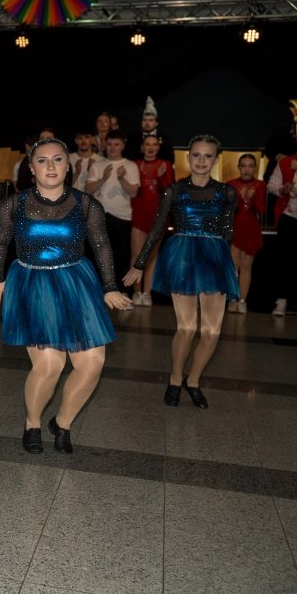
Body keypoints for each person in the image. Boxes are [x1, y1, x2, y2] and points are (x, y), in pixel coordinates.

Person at [0, 138, 129, 454]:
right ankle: (32, 423)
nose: (50, 166)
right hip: (32, 283)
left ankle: (62, 423)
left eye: (58, 159)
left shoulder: (87, 204)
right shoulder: (13, 204)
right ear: (31, 167)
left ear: (68, 165)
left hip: (77, 282)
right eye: (42, 160)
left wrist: (110, 286)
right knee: (49, 365)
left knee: (93, 363)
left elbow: (102, 246)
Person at [123, 135, 238, 410]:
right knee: (187, 328)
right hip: (183, 257)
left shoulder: (227, 193)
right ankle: (175, 380)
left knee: (211, 332)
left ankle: (193, 382)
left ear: (215, 160)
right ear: (188, 158)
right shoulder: (173, 191)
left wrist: (224, 262)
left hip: (214, 259)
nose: (201, 160)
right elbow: (156, 229)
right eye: (196, 155)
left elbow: (227, 232)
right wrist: (139, 264)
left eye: (207, 156)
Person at [86, 130, 139, 299]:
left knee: (121, 256)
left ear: (123, 145)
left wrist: (122, 179)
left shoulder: (130, 166)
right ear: (104, 145)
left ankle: (122, 292)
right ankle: (97, 291)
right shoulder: (97, 165)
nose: (113, 148)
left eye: (116, 144)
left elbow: (133, 192)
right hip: (100, 216)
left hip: (122, 217)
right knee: (97, 255)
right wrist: (103, 178)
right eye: (109, 144)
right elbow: (88, 189)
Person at [267, 140, 297, 316]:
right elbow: (271, 185)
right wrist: (282, 189)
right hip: (289, 216)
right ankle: (281, 301)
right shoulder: (285, 163)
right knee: (284, 261)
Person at [129, 135, 174, 307]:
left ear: (158, 147)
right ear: (142, 147)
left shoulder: (165, 164)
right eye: (147, 144)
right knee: (136, 254)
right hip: (139, 214)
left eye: (154, 144)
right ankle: (136, 292)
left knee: (152, 256)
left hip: (158, 217)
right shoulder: (135, 164)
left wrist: (162, 177)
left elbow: (170, 191)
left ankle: (147, 293)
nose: (151, 147)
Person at [227, 155, 266, 313]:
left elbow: (262, 209)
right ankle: (232, 299)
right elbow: (227, 208)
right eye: (243, 165)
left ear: (254, 168)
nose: (246, 169)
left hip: (251, 227)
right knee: (233, 266)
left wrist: (252, 197)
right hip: (236, 226)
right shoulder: (231, 184)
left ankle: (242, 301)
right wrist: (239, 197)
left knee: (246, 266)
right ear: (238, 167)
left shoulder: (260, 185)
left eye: (250, 166)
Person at [126, 96, 174, 162]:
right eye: (144, 120)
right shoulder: (132, 138)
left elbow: (170, 159)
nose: (147, 123)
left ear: (156, 123)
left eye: (150, 120)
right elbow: (127, 157)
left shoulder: (165, 139)